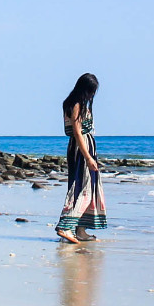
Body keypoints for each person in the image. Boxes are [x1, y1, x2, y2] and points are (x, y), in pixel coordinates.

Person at [56, 72, 106, 243]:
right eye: (91, 91)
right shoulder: (76, 104)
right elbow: (78, 133)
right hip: (81, 148)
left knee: (87, 186)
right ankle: (65, 226)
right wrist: (88, 158)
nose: (92, 95)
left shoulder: (73, 103)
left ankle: (80, 229)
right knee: (81, 187)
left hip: (81, 147)